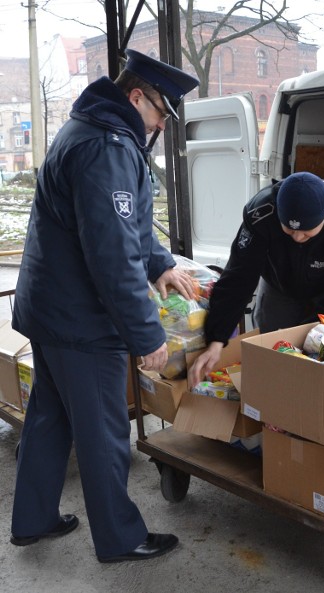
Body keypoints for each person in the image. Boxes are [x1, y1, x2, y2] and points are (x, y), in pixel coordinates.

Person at [10, 49, 199, 563]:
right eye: (161, 112)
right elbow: (112, 255)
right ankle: (121, 538)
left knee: (50, 417)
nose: (162, 124)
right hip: (82, 322)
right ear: (137, 97)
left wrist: (159, 261)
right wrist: (147, 336)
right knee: (105, 436)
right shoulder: (108, 146)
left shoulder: (91, 131)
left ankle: (33, 519)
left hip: (51, 312)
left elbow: (124, 226)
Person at [188, 171, 324, 385]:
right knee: (274, 359)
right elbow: (238, 278)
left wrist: (313, 336)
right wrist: (217, 339)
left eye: (307, 232)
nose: (298, 238)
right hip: (279, 286)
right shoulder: (261, 214)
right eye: (289, 231)